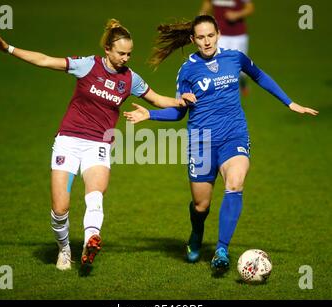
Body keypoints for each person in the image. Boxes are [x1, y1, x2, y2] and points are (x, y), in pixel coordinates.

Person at [0, 19, 193, 272]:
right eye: (121, 53)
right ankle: (64, 250)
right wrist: (8, 48)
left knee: (95, 195)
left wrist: (182, 101)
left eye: (129, 54)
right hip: (68, 141)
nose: (126, 58)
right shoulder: (86, 65)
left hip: (98, 144)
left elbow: (158, 99)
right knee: (60, 208)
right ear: (107, 49)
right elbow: (45, 60)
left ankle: (90, 241)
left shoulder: (130, 79)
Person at [124, 15, 318, 274]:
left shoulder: (234, 57)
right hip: (201, 142)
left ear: (218, 34)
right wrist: (150, 114)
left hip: (234, 136)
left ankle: (222, 250)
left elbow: (260, 76)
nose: (206, 42)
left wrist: (289, 102)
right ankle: (196, 234)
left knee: (235, 183)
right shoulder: (187, 70)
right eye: (201, 37)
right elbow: (179, 112)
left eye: (210, 36)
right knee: (201, 205)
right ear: (193, 40)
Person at [200, 0, 255, 95]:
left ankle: (242, 83)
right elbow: (207, 3)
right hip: (219, 34)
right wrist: (202, 15)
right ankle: (222, 93)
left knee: (239, 66)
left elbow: (250, 8)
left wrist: (237, 14)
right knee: (218, 64)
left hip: (238, 35)